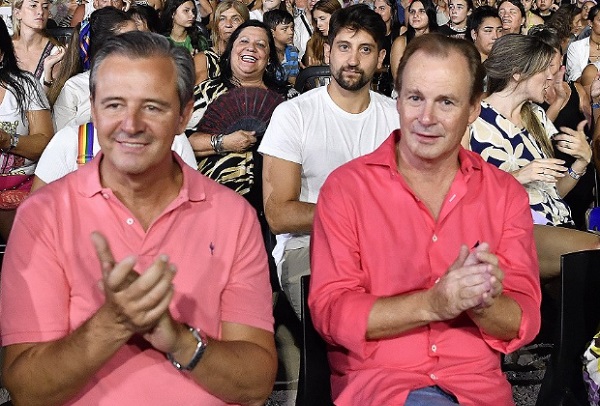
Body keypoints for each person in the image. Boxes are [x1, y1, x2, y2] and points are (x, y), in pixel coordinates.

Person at [0, 31, 276, 405]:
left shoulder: (233, 216)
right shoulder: (43, 215)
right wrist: (112, 323)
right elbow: (26, 389)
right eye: (114, 105)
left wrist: (177, 339)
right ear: (93, 109)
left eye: (153, 107)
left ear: (183, 116)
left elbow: (256, 384)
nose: (131, 124)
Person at [309, 33, 541, 405]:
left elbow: (524, 318)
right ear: (397, 100)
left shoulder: (504, 194)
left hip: (476, 390)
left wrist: (483, 303)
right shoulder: (346, 189)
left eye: (446, 102)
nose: (427, 118)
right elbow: (331, 314)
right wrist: (434, 303)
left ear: (473, 109)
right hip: (383, 387)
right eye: (415, 98)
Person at [259, 4, 399, 317]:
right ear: (327, 52)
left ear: (380, 59)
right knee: (354, 317)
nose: (353, 60)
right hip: (311, 246)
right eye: (344, 47)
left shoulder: (397, 118)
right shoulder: (294, 115)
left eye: (365, 49)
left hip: (386, 247)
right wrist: (360, 218)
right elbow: (279, 214)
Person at [467, 33, 600, 278]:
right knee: (594, 251)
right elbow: (467, 196)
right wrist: (518, 176)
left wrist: (581, 162)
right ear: (517, 73)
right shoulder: (473, 121)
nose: (550, 76)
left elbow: (553, 193)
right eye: (543, 68)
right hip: (513, 228)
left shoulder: (537, 117)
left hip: (558, 224)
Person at [186, 20, 292, 219]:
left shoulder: (288, 98)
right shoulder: (206, 91)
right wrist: (223, 142)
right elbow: (181, 142)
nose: (251, 48)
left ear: (269, 58)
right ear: (230, 51)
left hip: (273, 205)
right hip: (213, 204)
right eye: (243, 41)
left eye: (260, 44)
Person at [0, 17, 54, 241]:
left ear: (1, 54)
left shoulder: (25, 86)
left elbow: (44, 143)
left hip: (21, 184)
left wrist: (6, 140)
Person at [52, 7, 137, 131]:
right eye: (128, 40)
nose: (137, 44)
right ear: (104, 47)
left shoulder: (145, 82)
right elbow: (61, 136)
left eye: (138, 37)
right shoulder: (75, 87)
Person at [11, 0, 65, 91]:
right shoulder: (3, 48)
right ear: (17, 13)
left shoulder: (56, 53)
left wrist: (48, 72)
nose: (40, 12)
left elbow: (51, 98)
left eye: (45, 7)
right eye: (33, 6)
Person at [193, 0, 249, 84]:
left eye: (235, 19)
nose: (228, 24)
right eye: (222, 19)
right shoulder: (203, 60)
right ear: (216, 25)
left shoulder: (252, 58)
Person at [390, 0, 438, 82]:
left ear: (430, 14)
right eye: (412, 12)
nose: (415, 15)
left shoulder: (439, 41)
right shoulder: (401, 42)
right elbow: (398, 78)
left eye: (421, 11)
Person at [264, 9, 300, 84]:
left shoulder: (292, 51)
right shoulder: (265, 53)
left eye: (292, 28)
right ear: (272, 32)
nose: (291, 32)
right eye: (284, 29)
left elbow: (292, 79)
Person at [302, 0, 341, 67]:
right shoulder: (313, 43)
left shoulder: (350, 40)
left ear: (336, 17)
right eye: (316, 20)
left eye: (322, 19)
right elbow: (310, 71)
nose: (318, 25)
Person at [566, 5, 600, 82]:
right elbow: (574, 76)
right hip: (580, 87)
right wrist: (589, 79)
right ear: (590, 22)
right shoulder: (576, 47)